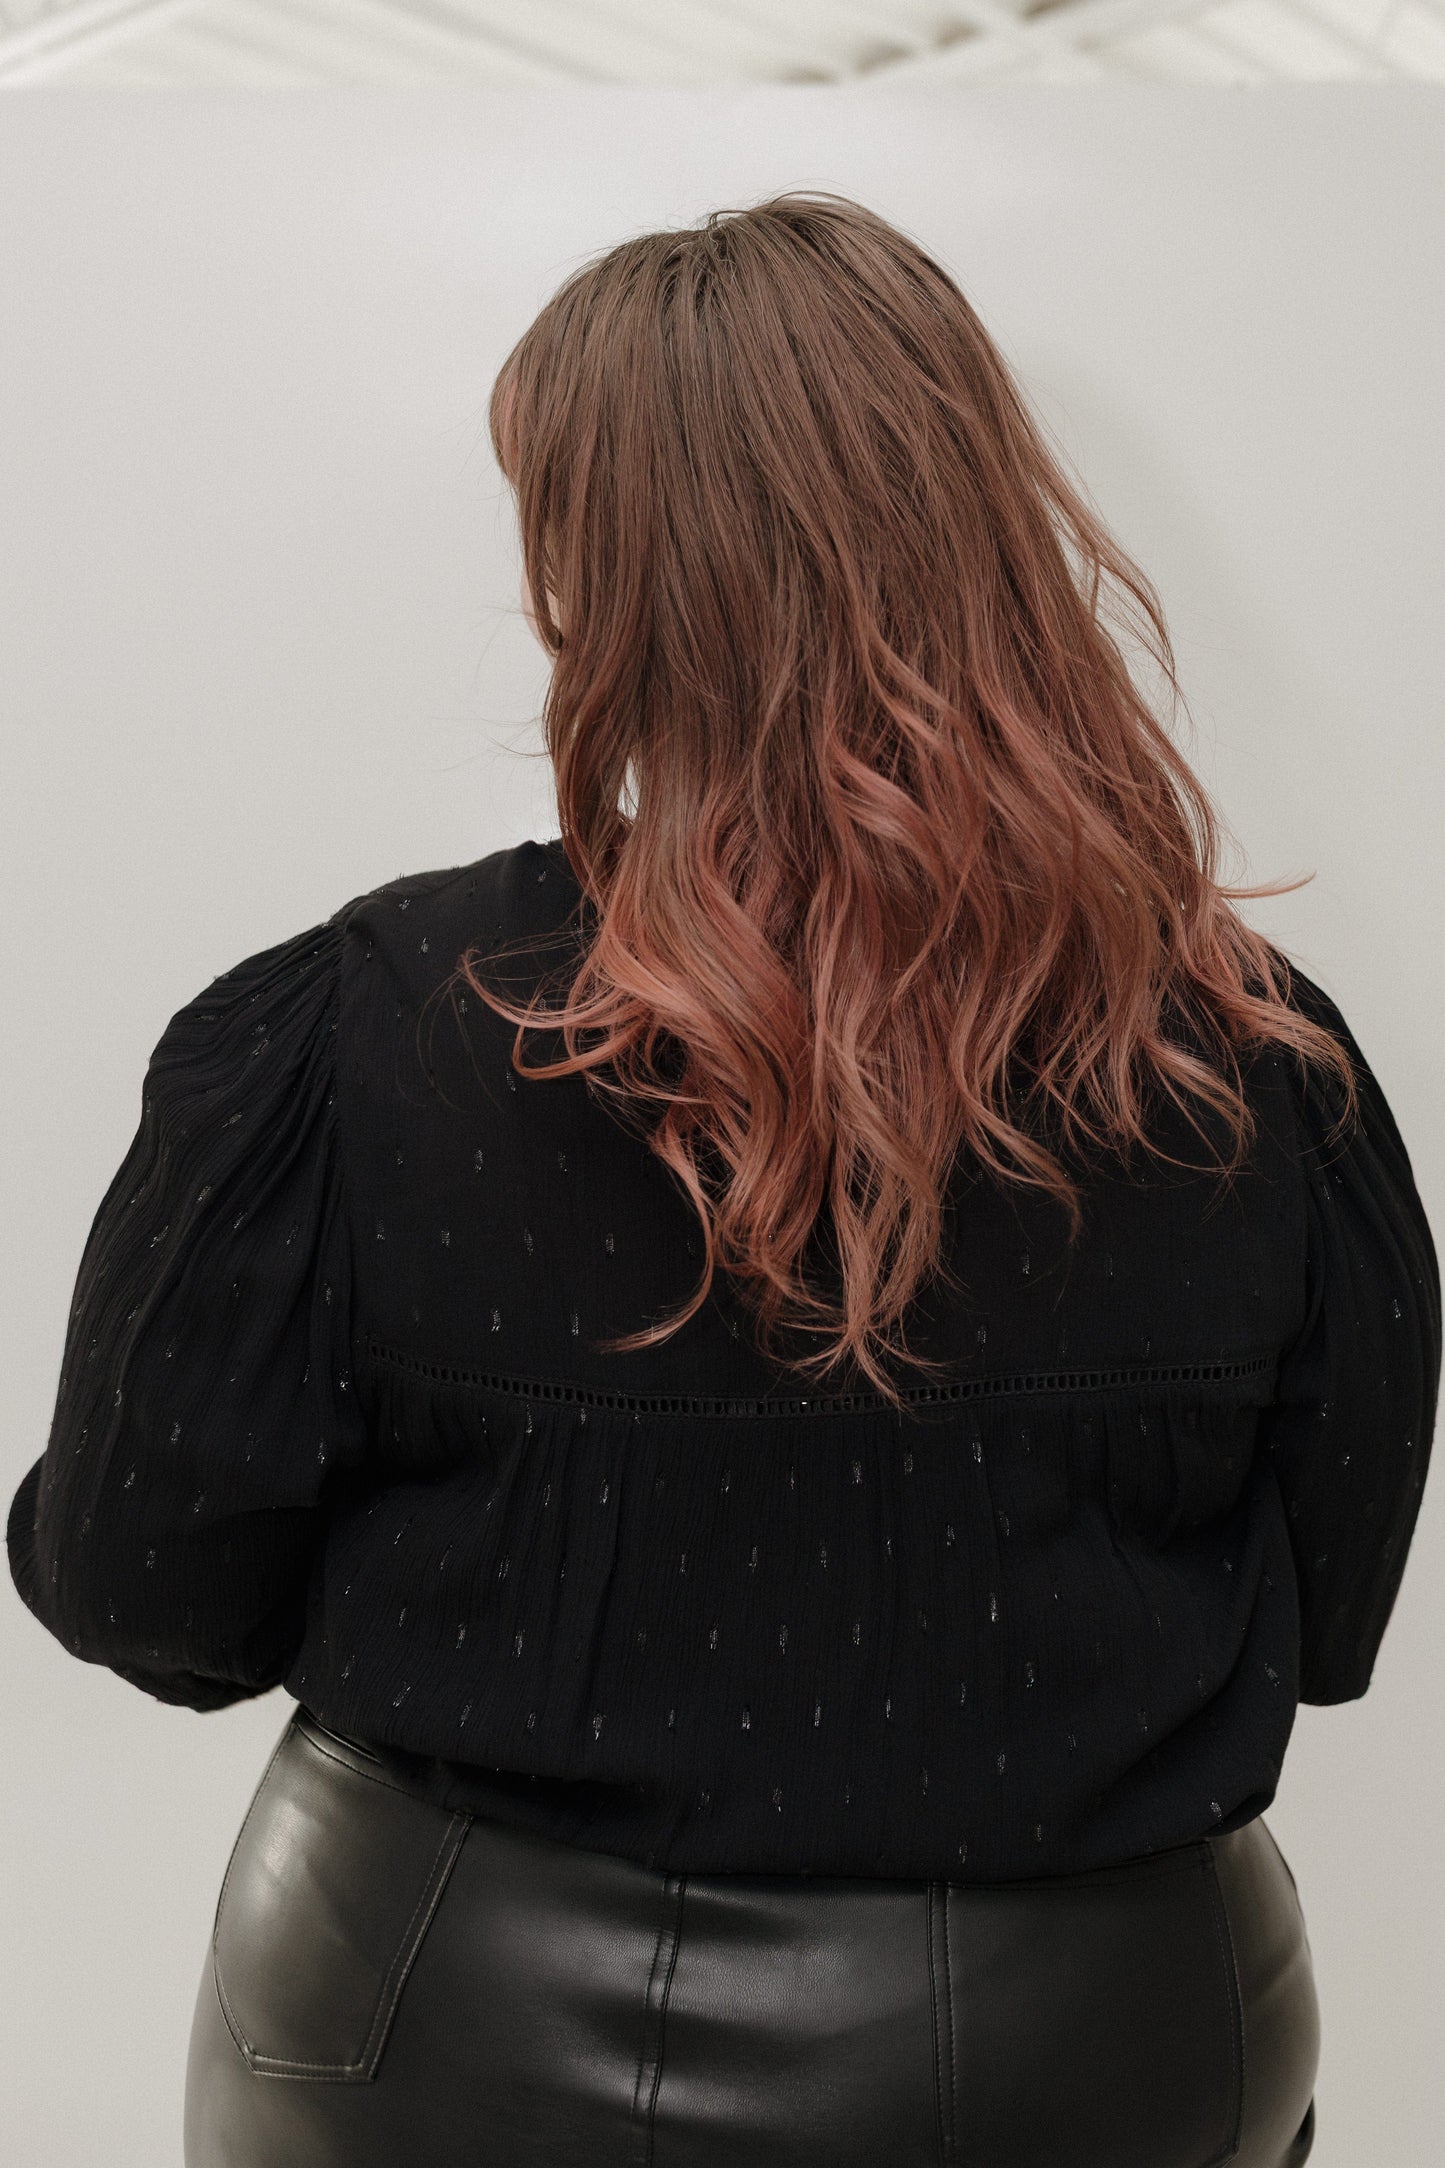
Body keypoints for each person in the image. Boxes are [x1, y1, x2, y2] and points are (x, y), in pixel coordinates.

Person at [8, 192, 1438, 2168]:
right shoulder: (1256, 1066)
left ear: (608, 582)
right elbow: (1335, 1611)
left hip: (459, 2039)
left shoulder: (367, 1032)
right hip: (1111, 2055)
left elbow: (139, 1585)